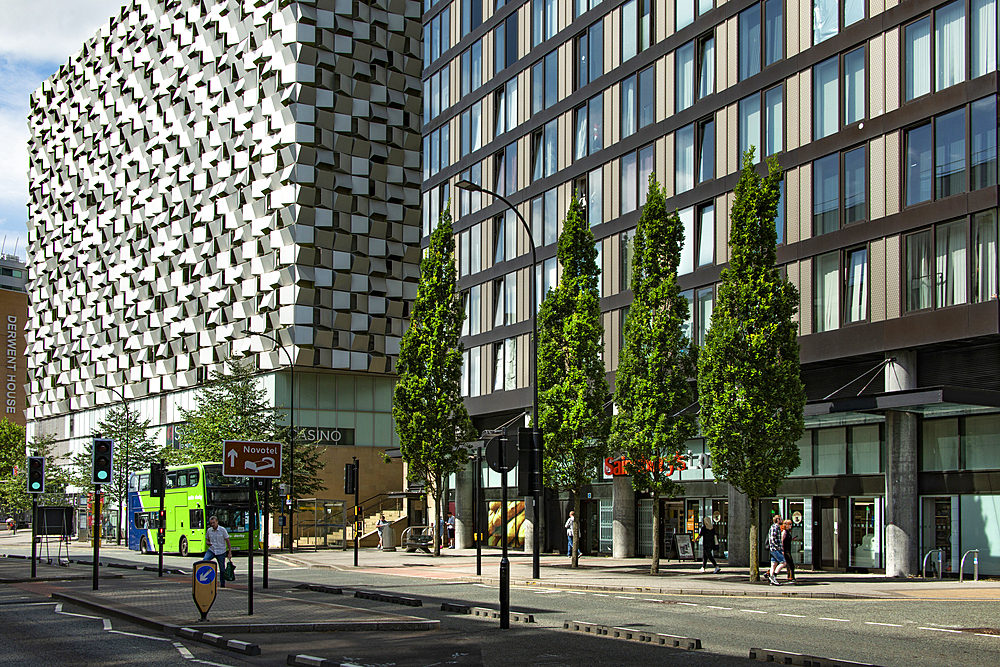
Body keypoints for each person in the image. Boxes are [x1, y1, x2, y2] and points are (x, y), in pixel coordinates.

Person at [201, 515, 232, 588]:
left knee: (222, 568)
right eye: (211, 523)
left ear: (217, 522)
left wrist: (229, 552)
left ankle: (222, 583)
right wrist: (208, 543)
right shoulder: (209, 530)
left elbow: (227, 540)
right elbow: (207, 540)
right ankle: (206, 578)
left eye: (213, 523)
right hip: (212, 549)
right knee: (205, 561)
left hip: (221, 551)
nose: (212, 525)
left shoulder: (222, 530)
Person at [767, 514, 785, 586]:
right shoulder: (775, 527)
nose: (782, 520)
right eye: (780, 519)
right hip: (775, 549)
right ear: (777, 520)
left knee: (774, 564)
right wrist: (778, 548)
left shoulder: (776, 527)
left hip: (774, 549)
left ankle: (772, 581)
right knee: (783, 562)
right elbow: (772, 539)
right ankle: (773, 576)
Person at [781, 518, 796, 584]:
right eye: (790, 524)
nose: (791, 525)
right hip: (785, 550)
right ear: (786, 525)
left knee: (787, 564)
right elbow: (782, 541)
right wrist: (782, 549)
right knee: (790, 564)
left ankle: (791, 576)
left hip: (788, 549)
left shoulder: (788, 532)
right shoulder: (784, 532)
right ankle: (791, 577)